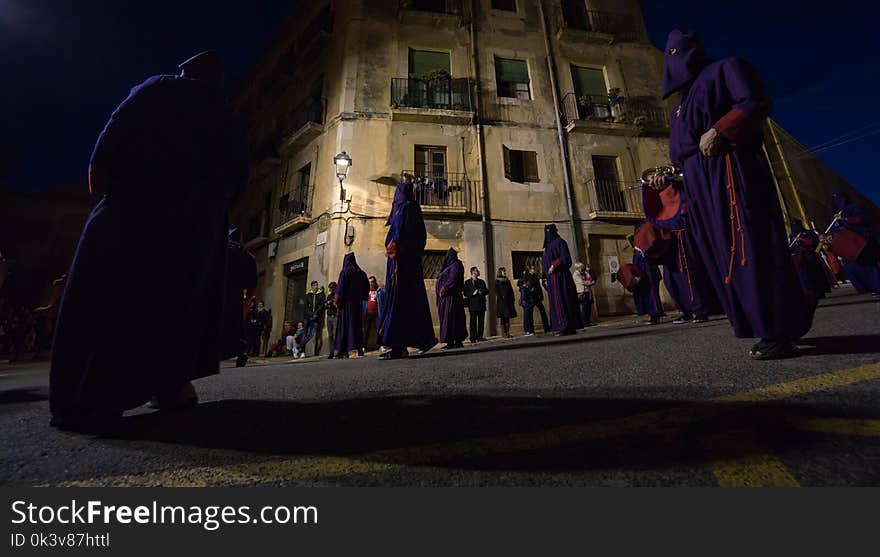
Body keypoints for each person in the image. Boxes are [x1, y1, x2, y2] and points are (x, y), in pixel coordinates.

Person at [49, 50, 248, 429]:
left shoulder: (157, 88)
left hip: (134, 209)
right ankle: (171, 385)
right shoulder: (228, 115)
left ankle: (89, 397)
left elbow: (110, 140)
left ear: (184, 70)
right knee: (178, 304)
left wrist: (107, 189)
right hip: (195, 226)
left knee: (111, 299)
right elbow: (239, 179)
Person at [654, 30, 814, 359]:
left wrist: (720, 130)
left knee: (747, 245)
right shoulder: (678, 108)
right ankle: (767, 322)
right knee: (720, 254)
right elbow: (683, 153)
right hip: (697, 185)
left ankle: (778, 328)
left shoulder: (726, 68)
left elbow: (755, 101)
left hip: (729, 170)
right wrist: (669, 176)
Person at [378, 179, 437, 360]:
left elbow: (400, 233)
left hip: (400, 264)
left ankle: (397, 346)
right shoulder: (413, 209)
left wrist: (394, 248)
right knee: (411, 301)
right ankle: (418, 341)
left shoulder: (406, 209)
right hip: (408, 263)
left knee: (399, 301)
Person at [828, 190, 880, 295]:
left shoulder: (854, 207)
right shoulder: (834, 216)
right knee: (851, 267)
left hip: (859, 243)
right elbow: (835, 231)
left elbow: (863, 220)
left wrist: (845, 219)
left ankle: (877, 287)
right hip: (846, 246)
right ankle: (863, 289)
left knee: (867, 265)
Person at [222, 229, 257, 367]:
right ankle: (241, 352)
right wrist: (247, 299)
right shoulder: (248, 257)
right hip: (236, 295)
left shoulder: (221, 251)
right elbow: (253, 282)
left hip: (219, 292)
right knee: (236, 324)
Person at [542, 224, 582, 335]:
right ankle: (560, 326)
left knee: (562, 301)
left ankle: (565, 326)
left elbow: (566, 258)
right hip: (552, 278)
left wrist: (554, 265)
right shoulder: (548, 247)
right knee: (557, 302)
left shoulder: (560, 242)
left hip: (560, 277)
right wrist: (545, 275)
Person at [333, 253, 370, 358]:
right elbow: (366, 288)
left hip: (346, 304)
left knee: (345, 326)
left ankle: (344, 350)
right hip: (357, 304)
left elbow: (340, 288)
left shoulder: (345, 272)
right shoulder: (361, 273)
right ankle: (359, 348)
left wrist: (336, 301)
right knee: (357, 326)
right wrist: (362, 298)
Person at [789, 219, 831, 300]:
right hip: (801, 259)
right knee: (806, 278)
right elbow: (793, 247)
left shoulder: (809, 233)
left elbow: (816, 242)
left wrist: (803, 240)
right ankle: (810, 294)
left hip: (811, 257)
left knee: (816, 276)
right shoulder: (792, 236)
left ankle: (820, 292)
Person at [628, 234, 664, 325]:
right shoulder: (643, 246)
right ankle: (657, 313)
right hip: (650, 273)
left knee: (651, 295)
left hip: (648, 274)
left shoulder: (639, 248)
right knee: (654, 294)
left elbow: (640, 262)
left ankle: (654, 315)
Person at [436, 248, 467, 349]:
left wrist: (443, 289)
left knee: (451, 319)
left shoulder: (456, 265)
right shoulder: (451, 266)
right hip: (448, 298)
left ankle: (454, 341)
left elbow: (452, 279)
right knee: (450, 319)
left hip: (451, 298)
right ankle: (452, 341)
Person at [297, 281, 325, 357]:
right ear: (312, 286)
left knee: (311, 334)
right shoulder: (308, 295)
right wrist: (311, 314)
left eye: (317, 285)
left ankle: (298, 347)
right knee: (304, 333)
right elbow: (305, 307)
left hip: (315, 317)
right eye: (314, 285)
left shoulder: (321, 294)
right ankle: (302, 352)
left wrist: (316, 314)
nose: (316, 286)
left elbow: (321, 306)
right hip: (307, 316)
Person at [463, 267, 489, 343]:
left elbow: (487, 291)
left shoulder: (481, 281)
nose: (477, 272)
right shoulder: (467, 282)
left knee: (481, 321)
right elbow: (465, 293)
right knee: (473, 321)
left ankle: (480, 337)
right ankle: (473, 337)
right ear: (472, 272)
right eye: (476, 271)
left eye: (477, 271)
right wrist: (472, 293)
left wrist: (482, 292)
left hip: (481, 304)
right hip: (472, 304)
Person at [362, 276, 385, 353]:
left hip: (377, 313)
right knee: (366, 330)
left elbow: (383, 302)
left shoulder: (379, 292)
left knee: (379, 329)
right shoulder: (366, 292)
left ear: (375, 282)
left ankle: (381, 345)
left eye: (372, 282)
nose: (371, 284)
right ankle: (364, 346)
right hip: (368, 313)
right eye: (370, 282)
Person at [495, 267, 517, 338]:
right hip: (502, 302)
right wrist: (501, 298)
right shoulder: (497, 281)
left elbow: (510, 290)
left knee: (507, 317)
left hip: (508, 301)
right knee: (503, 318)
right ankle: (503, 333)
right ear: (500, 272)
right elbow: (497, 292)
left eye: (505, 271)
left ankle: (508, 332)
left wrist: (512, 298)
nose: (505, 273)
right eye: (503, 271)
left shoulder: (507, 280)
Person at [572, 262, 596, 327]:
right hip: (581, 291)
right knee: (584, 308)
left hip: (586, 291)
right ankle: (584, 322)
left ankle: (588, 321)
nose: (582, 268)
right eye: (581, 267)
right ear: (578, 268)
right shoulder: (576, 274)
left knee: (588, 307)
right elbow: (582, 282)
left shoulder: (581, 273)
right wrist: (591, 282)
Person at [325, 282, 339, 359]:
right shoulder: (329, 296)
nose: (330, 289)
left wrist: (333, 304)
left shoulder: (336, 295)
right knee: (330, 335)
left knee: (335, 334)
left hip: (335, 316)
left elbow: (337, 305)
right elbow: (326, 305)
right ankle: (331, 352)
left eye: (331, 288)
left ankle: (336, 352)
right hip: (329, 316)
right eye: (330, 288)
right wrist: (327, 304)